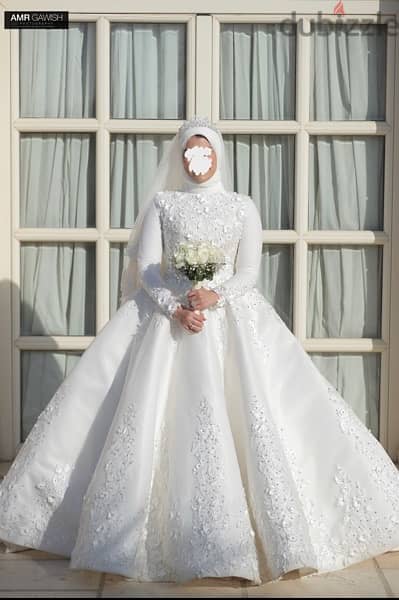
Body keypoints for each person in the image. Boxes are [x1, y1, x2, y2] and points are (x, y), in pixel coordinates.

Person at [0, 115, 398, 586]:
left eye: (206, 150)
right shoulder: (164, 205)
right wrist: (174, 307)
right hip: (167, 320)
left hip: (229, 320)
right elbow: (148, 266)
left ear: (219, 154)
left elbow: (248, 272)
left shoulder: (242, 207)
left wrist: (216, 295)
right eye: (190, 151)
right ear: (179, 156)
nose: (198, 159)